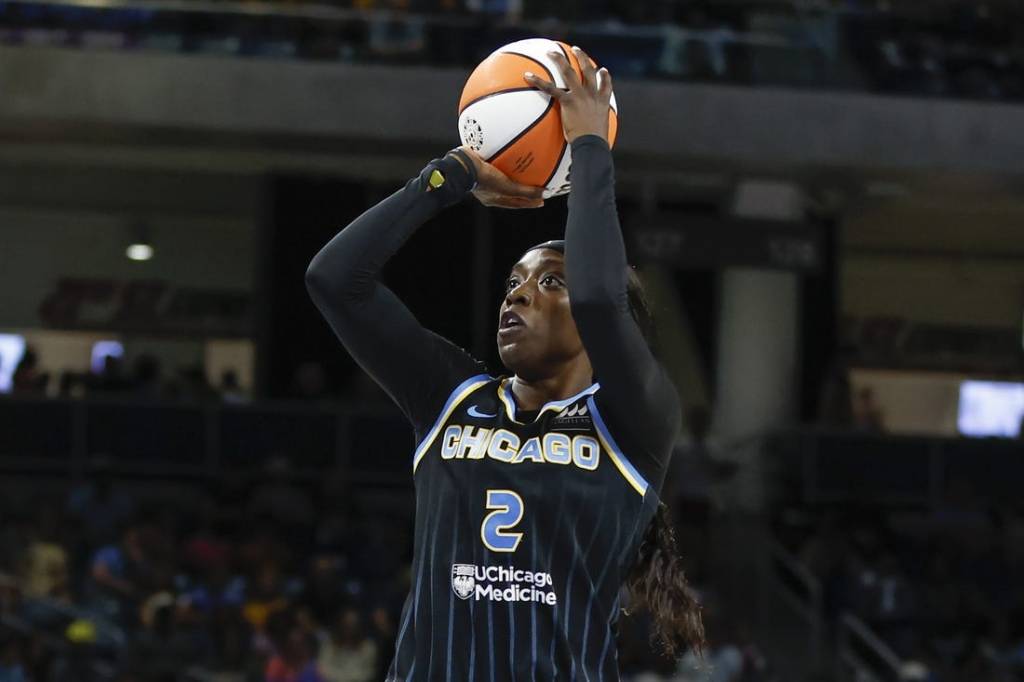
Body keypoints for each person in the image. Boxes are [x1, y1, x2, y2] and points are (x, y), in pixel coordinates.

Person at [306, 46, 704, 680]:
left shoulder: (634, 420)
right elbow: (334, 280)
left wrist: (590, 146)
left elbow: (602, 299)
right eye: (514, 282)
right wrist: (448, 179)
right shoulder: (450, 396)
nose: (518, 294)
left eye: (550, 283)